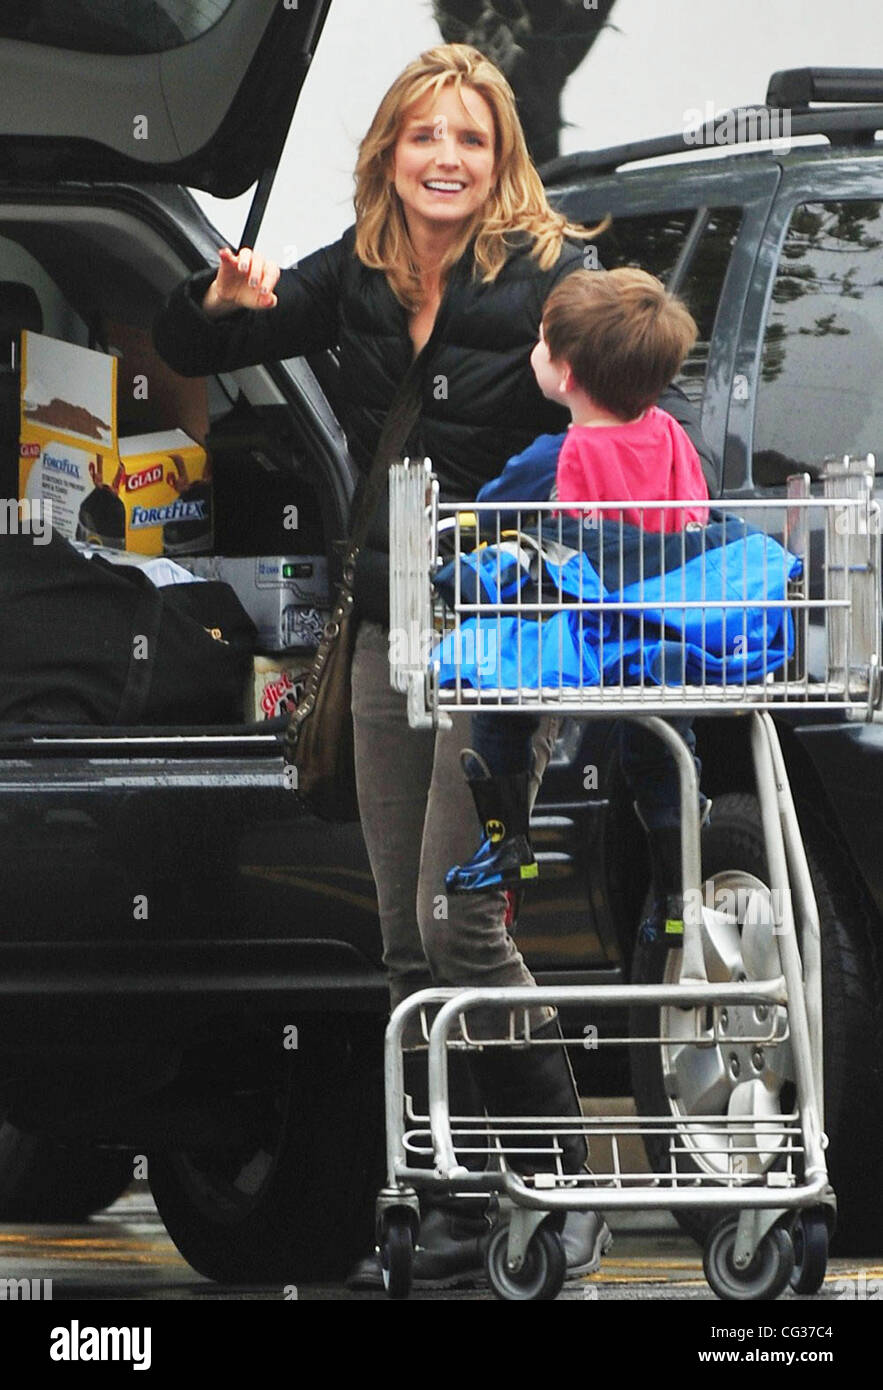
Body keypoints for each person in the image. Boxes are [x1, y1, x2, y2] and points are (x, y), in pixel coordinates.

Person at [153, 43, 713, 1291]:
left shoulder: (554, 274)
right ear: (389, 155)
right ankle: (466, 1195)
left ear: (499, 154)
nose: (446, 158)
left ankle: (558, 1179)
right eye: (424, 138)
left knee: (464, 916)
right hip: (383, 631)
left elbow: (636, 385)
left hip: (503, 643)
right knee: (404, 940)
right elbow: (178, 339)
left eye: (469, 138)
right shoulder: (350, 276)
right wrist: (218, 297)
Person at [447, 267, 710, 944]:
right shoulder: (673, 439)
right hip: (656, 638)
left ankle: (506, 842)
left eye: (539, 343)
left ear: (563, 374)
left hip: (573, 643)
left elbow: (484, 516)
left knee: (496, 700)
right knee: (660, 745)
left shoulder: (554, 457)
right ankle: (678, 882)